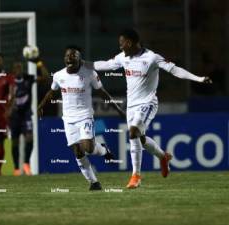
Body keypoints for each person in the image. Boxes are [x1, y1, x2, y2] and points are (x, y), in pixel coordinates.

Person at [85, 29, 212, 189]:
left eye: (122, 43)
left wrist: (198, 78)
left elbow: (175, 70)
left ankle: (135, 176)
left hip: (148, 104)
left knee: (132, 132)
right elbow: (105, 64)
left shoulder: (152, 58)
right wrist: (84, 64)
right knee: (141, 139)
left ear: (130, 43)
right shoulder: (123, 58)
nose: (120, 47)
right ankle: (163, 156)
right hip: (131, 106)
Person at [38, 46, 125, 191]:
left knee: (88, 148)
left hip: (85, 116)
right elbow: (51, 93)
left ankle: (103, 149)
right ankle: (94, 182)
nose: (70, 58)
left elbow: (102, 92)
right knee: (78, 152)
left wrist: (118, 109)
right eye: (67, 56)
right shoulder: (59, 75)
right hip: (68, 119)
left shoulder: (89, 73)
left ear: (80, 59)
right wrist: (41, 105)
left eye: (74, 55)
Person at [9, 58, 48, 176]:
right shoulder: (9, 81)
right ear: (12, 70)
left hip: (26, 115)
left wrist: (39, 64)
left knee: (29, 138)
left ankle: (26, 164)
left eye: (20, 67)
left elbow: (46, 78)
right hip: (14, 116)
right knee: (14, 142)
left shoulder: (28, 78)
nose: (18, 69)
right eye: (16, 67)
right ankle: (16, 168)